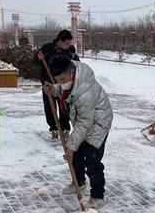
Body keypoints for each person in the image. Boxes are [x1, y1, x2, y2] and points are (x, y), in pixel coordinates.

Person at [45, 54, 113, 211]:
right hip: (86, 120)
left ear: (71, 73)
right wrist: (54, 89)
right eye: (58, 80)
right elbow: (64, 88)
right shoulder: (71, 75)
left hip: (99, 123)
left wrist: (70, 146)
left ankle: (98, 196)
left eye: (62, 80)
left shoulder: (84, 91)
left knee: (92, 160)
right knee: (76, 154)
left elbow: (84, 123)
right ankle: (80, 182)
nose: (61, 83)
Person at [36, 29, 79, 140]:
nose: (68, 45)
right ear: (60, 40)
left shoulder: (69, 51)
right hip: (48, 83)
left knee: (64, 106)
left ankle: (65, 128)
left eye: (70, 43)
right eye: (67, 43)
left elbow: (77, 64)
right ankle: (53, 128)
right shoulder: (47, 48)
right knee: (50, 107)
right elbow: (35, 62)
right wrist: (38, 58)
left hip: (64, 84)